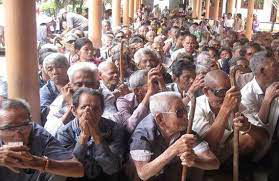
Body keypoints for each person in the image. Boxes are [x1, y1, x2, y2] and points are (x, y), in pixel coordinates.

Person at [130, 92, 220, 181]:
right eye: (179, 112)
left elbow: (214, 163)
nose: (186, 116)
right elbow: (143, 174)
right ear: (160, 119)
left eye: (186, 110)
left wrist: (195, 161)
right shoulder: (143, 133)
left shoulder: (183, 129)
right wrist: (174, 149)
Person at [0, 99, 84, 181]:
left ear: (30, 121)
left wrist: (39, 163)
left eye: (24, 126)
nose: (18, 135)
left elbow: (78, 170)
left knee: (58, 170)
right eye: (9, 128)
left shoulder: (38, 134)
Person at [56, 88, 127, 181]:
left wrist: (97, 137)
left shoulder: (115, 129)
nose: (89, 112)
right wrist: (83, 137)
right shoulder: (64, 133)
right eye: (83, 107)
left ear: (102, 111)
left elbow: (112, 168)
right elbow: (69, 170)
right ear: (74, 110)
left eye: (95, 108)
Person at [241, 51, 279, 180]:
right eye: (275, 65)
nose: (278, 67)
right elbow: (256, 130)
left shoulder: (275, 84)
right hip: (260, 148)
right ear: (262, 71)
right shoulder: (247, 94)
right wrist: (267, 100)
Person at [44, 62, 100, 136]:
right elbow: (49, 132)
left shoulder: (105, 97)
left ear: (97, 85)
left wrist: (74, 104)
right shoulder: (62, 100)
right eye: (78, 84)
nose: (84, 88)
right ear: (70, 85)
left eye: (89, 84)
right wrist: (72, 106)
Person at [113, 68, 163, 133]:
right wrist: (149, 94)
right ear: (137, 91)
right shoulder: (123, 101)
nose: (157, 87)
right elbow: (129, 127)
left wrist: (163, 86)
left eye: (157, 83)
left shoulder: (158, 97)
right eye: (152, 85)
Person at [40, 53, 69, 126]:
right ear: (47, 72)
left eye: (59, 67)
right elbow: (45, 112)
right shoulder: (46, 90)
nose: (55, 72)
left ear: (67, 67)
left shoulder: (76, 83)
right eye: (50, 69)